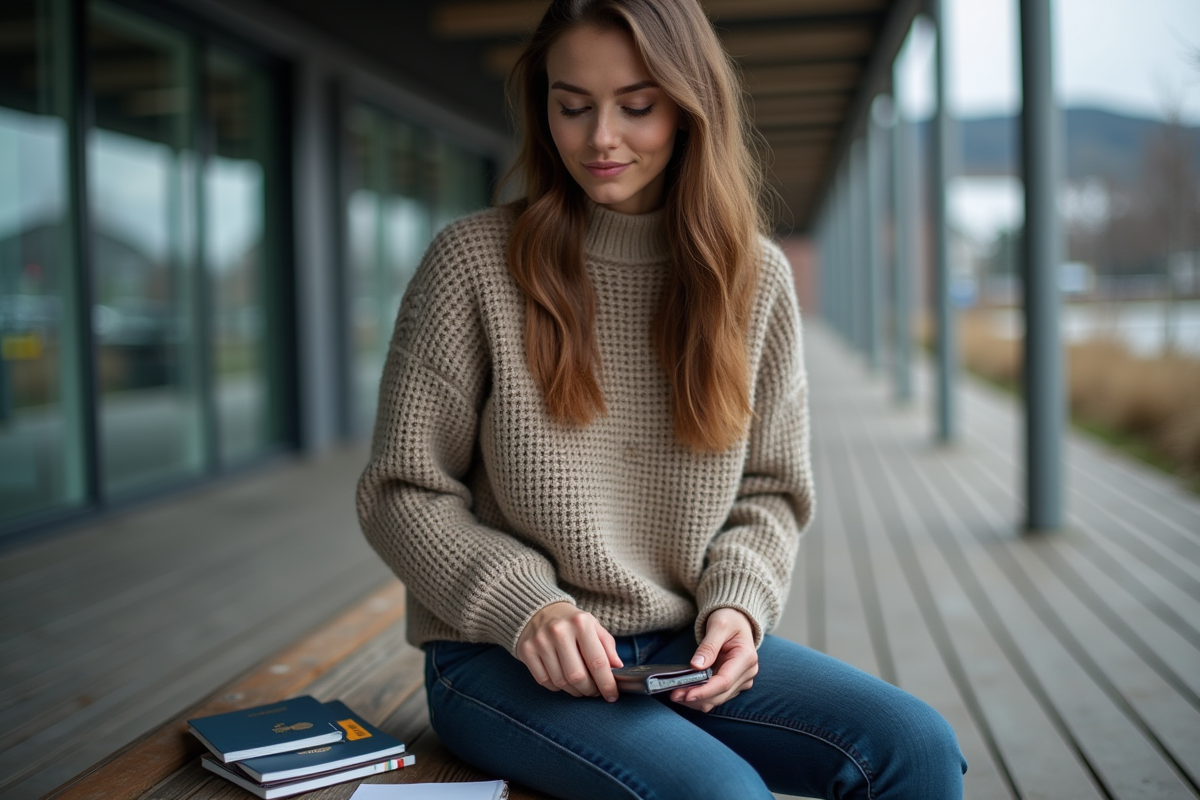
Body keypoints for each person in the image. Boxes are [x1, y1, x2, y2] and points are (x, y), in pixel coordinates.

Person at [356, 1, 967, 797]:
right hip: (503, 654)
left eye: (636, 106)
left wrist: (739, 608)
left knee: (916, 746)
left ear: (688, 109)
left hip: (680, 647)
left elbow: (770, 490)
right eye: (572, 106)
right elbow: (401, 490)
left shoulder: (754, 278)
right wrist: (526, 607)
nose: (600, 137)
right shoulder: (472, 263)